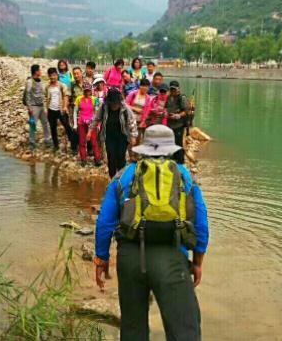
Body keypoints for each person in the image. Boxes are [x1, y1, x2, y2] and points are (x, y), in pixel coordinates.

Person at [94, 125, 209, 341]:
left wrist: (102, 258)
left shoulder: (124, 176)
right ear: (171, 149)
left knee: (133, 328)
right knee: (184, 330)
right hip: (172, 255)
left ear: (144, 149)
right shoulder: (183, 176)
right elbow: (201, 222)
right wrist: (197, 261)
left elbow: (105, 223)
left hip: (130, 258)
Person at [88, 88, 137, 178]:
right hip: (109, 136)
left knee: (121, 157)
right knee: (111, 158)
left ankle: (121, 178)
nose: (114, 106)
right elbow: (96, 118)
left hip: (122, 136)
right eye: (113, 104)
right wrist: (90, 131)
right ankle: (113, 178)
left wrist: (133, 136)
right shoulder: (104, 107)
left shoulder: (125, 108)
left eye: (116, 103)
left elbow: (131, 121)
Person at [45, 67, 77, 152]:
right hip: (51, 110)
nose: (52, 77)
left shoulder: (62, 85)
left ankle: (74, 145)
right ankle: (56, 146)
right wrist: (47, 110)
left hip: (61, 109)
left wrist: (65, 106)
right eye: (50, 75)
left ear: (57, 75)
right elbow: (46, 98)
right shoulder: (47, 86)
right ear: (48, 76)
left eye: (54, 75)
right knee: (53, 128)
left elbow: (66, 96)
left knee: (67, 127)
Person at [73, 82, 102, 167]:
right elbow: (75, 111)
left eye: (88, 91)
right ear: (83, 90)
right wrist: (75, 124)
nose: (87, 92)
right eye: (85, 90)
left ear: (91, 91)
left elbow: (97, 113)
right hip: (81, 123)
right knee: (82, 142)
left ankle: (97, 159)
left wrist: (98, 124)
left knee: (94, 142)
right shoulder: (79, 99)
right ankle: (83, 159)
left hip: (91, 123)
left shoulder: (94, 99)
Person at [23, 64, 51, 149]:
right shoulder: (30, 82)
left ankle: (47, 140)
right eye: (39, 70)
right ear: (36, 71)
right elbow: (27, 95)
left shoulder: (40, 80)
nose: (41, 71)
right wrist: (29, 107)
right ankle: (32, 142)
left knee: (45, 123)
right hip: (34, 107)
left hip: (41, 106)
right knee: (33, 124)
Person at [165, 80, 189, 164]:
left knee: (178, 143)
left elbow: (186, 111)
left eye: (174, 89)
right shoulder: (168, 97)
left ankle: (180, 161)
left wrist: (178, 115)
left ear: (178, 89)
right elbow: (166, 107)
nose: (173, 91)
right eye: (171, 89)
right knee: (170, 142)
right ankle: (172, 159)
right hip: (169, 123)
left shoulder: (182, 98)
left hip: (178, 124)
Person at [125, 78, 152, 143]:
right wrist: (134, 108)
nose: (145, 89)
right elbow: (125, 105)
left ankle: (135, 153)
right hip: (130, 120)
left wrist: (143, 121)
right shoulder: (133, 94)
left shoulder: (148, 98)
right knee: (130, 140)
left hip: (139, 121)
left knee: (137, 140)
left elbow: (146, 111)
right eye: (144, 86)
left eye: (147, 87)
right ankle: (130, 153)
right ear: (140, 86)